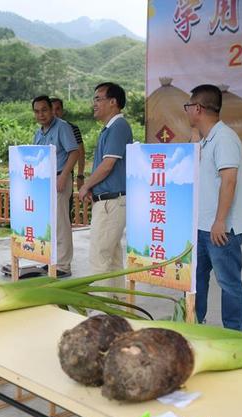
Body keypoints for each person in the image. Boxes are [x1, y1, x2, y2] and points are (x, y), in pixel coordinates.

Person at [185, 84, 242, 331]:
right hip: (202, 225)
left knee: (228, 281)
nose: (187, 111)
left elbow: (229, 180)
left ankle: (234, 331)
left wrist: (220, 221)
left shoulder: (224, 138)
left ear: (198, 108)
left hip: (222, 227)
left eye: (189, 106)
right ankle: (195, 323)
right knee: (197, 279)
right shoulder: (205, 139)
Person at [78, 82, 133, 292]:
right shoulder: (110, 128)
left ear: (113, 102)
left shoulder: (118, 126)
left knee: (99, 258)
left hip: (112, 202)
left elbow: (108, 164)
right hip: (110, 200)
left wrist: (86, 186)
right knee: (112, 260)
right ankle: (116, 306)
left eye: (98, 99)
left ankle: (101, 312)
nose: (94, 103)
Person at [33, 95, 79, 277]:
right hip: (44, 183)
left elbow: (74, 152)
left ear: (52, 110)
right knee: (49, 224)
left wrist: (64, 176)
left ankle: (63, 265)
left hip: (60, 179)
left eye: (44, 110)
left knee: (61, 224)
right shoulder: (39, 132)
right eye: (37, 111)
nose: (41, 114)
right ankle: (51, 260)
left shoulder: (62, 127)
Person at [51, 97, 86, 218]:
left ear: (62, 110)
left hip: (63, 178)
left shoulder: (71, 127)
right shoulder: (42, 130)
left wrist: (80, 175)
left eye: (58, 109)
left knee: (63, 215)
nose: (55, 112)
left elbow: (79, 152)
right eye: (52, 109)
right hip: (46, 180)